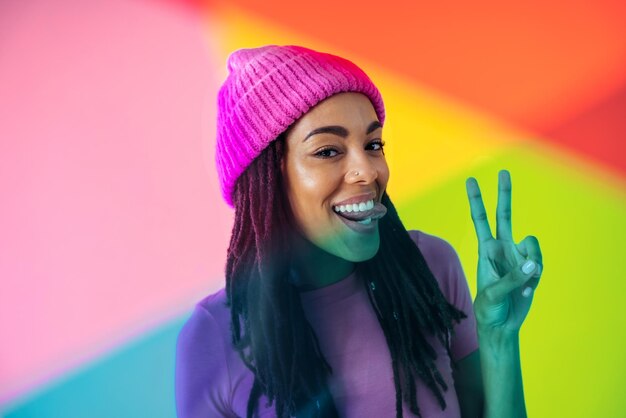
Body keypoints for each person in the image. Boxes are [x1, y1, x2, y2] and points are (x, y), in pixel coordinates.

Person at [175, 45, 543, 418]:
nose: (368, 171)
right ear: (267, 178)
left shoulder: (430, 267)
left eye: (373, 145)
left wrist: (499, 338)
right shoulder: (214, 337)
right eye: (328, 151)